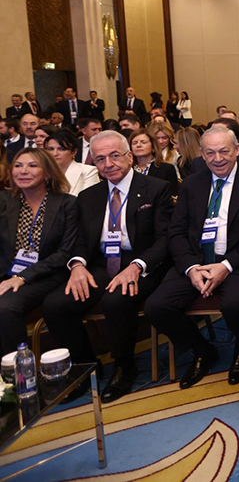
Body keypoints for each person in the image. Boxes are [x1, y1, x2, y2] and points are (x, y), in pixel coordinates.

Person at [42, 131, 173, 402]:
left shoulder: (156, 188)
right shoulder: (88, 196)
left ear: (129, 156)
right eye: (100, 159)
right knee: (56, 305)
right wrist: (77, 265)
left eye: (115, 156)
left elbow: (165, 239)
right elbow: (79, 239)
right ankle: (86, 366)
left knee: (116, 300)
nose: (108, 164)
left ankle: (124, 367)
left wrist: (137, 266)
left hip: (143, 263)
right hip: (101, 264)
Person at [145, 126, 239, 390]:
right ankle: (202, 350)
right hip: (196, 260)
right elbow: (176, 231)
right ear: (201, 154)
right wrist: (191, 268)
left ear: (237, 150)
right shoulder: (192, 184)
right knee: (157, 306)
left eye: (224, 151)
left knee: (236, 304)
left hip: (237, 261)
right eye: (210, 153)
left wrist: (225, 266)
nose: (217, 159)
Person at [0, 148, 77, 355]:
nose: (23, 171)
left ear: (48, 173)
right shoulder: (4, 201)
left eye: (32, 166)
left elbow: (65, 252)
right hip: (8, 273)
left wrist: (23, 277)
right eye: (18, 166)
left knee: (4, 307)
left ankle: (18, 369)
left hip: (47, 275)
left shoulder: (67, 204)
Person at [45, 129, 99, 196]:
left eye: (62, 149)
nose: (55, 153)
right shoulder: (42, 172)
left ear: (74, 152)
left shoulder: (88, 171)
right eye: (50, 149)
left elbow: (89, 198)